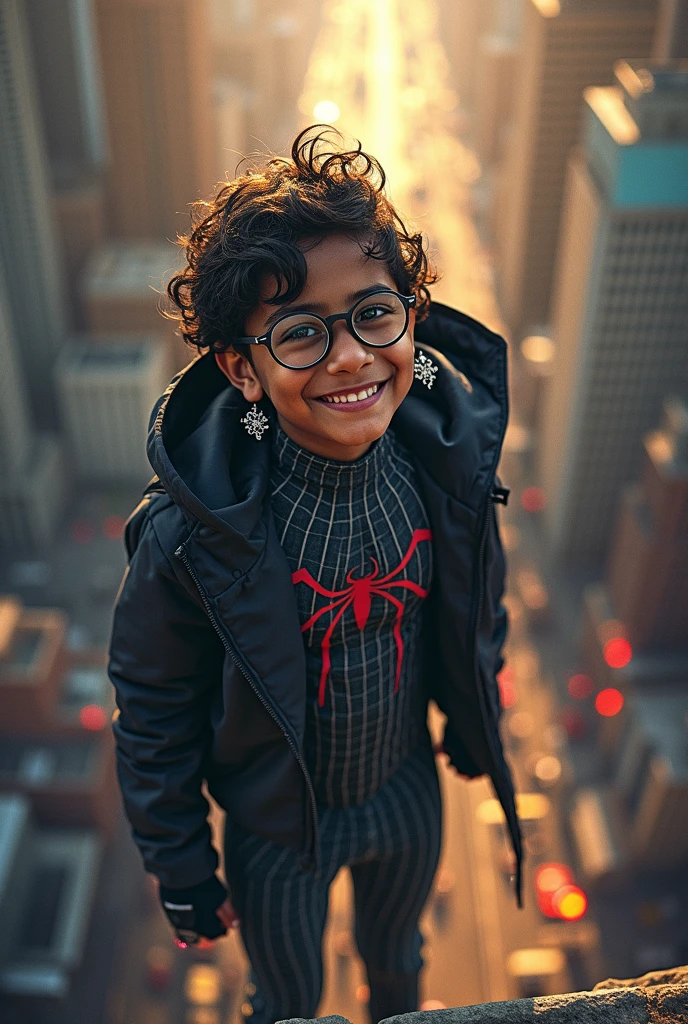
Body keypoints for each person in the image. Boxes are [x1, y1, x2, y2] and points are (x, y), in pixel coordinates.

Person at [108, 126, 522, 1024]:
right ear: (239, 369)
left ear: (410, 312)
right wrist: (180, 864)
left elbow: (477, 596)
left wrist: (476, 699)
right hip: (278, 833)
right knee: (287, 1001)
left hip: (406, 790)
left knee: (401, 964)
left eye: (374, 313)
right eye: (299, 334)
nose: (347, 356)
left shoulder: (447, 463)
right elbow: (151, 706)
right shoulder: (194, 535)